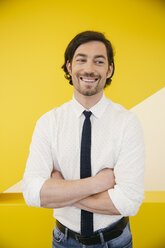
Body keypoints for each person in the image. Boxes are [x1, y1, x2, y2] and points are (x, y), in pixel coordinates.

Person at [22, 31, 145, 248]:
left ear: (109, 70)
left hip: (115, 241)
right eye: (81, 59)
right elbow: (32, 193)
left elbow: (129, 202)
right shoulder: (48, 122)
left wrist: (60, 190)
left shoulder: (127, 122)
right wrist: (97, 184)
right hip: (63, 241)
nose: (89, 69)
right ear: (69, 67)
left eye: (99, 61)